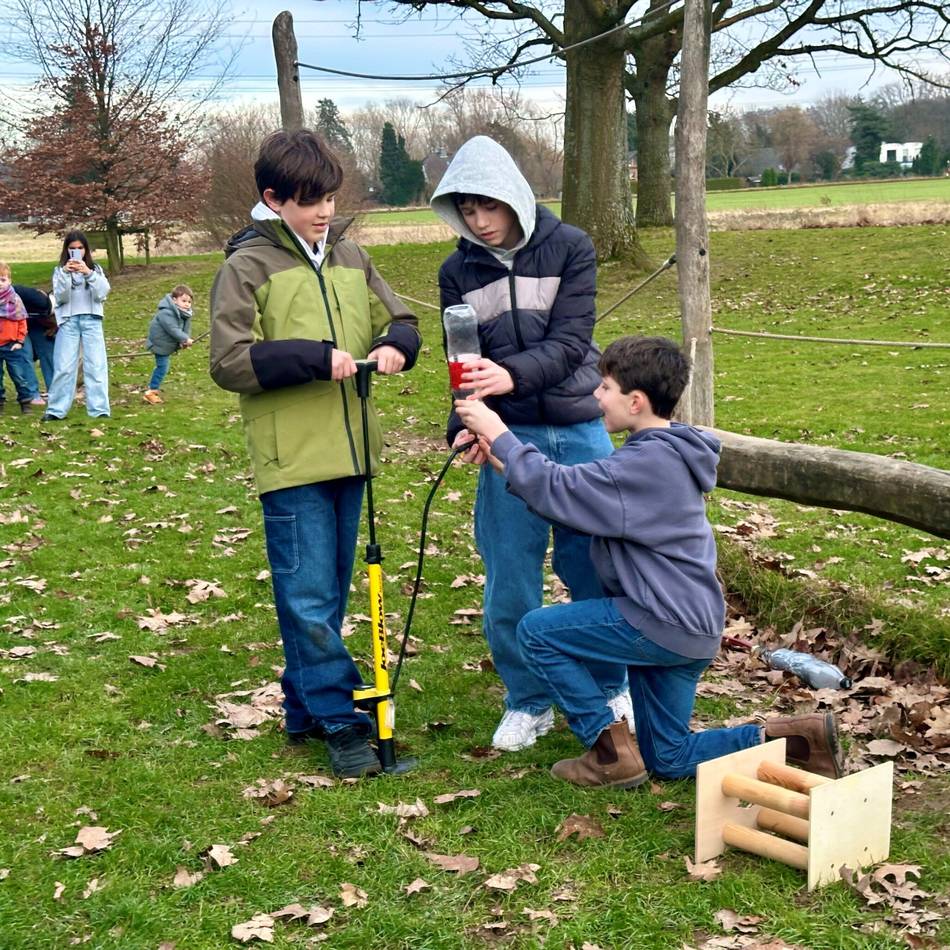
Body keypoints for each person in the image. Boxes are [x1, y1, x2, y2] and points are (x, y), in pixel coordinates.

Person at [455, 335, 842, 789]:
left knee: (537, 632)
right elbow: (573, 494)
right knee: (669, 756)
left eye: (604, 388)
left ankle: (605, 749)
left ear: (635, 401)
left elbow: (565, 488)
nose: (596, 396)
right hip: (690, 628)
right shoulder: (665, 452)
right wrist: (505, 462)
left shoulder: (642, 464)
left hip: (657, 620)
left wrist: (498, 431)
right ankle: (798, 739)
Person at [210, 129, 421, 779]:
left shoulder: (353, 257)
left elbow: (402, 320)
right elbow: (227, 361)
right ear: (274, 200)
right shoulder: (248, 265)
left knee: (325, 591)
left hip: (353, 450)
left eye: (329, 197)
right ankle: (340, 719)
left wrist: (397, 346)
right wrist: (308, 359)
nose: (324, 211)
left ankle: (302, 706)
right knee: (306, 595)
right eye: (308, 201)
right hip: (292, 457)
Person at [430, 135, 632, 753]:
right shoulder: (456, 271)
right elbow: (463, 363)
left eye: (488, 206)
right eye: (466, 210)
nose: (479, 222)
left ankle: (610, 685)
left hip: (578, 427)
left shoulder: (571, 247)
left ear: (513, 197)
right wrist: (465, 421)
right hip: (504, 437)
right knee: (510, 575)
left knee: (592, 565)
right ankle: (528, 700)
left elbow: (573, 342)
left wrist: (512, 375)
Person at [43, 231, 111, 421]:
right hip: (69, 321)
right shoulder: (59, 271)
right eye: (72, 248)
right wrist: (66, 273)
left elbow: (103, 293)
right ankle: (56, 410)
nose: (76, 252)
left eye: (80, 248)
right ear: (66, 250)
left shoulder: (95, 269)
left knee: (96, 365)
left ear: (86, 250)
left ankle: (99, 409)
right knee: (64, 366)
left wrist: (87, 273)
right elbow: (61, 297)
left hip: (92, 320)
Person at [0, 262, 44, 414]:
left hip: (12, 344)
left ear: (9, 280)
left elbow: (22, 321)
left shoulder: (15, 300)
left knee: (19, 375)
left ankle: (25, 402)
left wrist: (19, 341)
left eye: (3, 279)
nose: (0, 284)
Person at [143, 284, 195, 404]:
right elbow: (172, 329)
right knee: (162, 367)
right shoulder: (166, 312)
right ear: (174, 300)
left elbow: (185, 330)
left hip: (168, 344)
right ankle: (151, 391)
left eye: (189, 302)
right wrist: (184, 338)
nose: (187, 304)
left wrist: (184, 341)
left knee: (163, 367)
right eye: (184, 301)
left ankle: (152, 390)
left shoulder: (185, 313)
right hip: (159, 344)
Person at [13, 282, 57, 392]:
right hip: (17, 323)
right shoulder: (37, 299)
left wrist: (55, 324)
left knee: (48, 351)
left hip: (37, 323)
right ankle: (32, 393)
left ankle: (55, 391)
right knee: (25, 353)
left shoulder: (46, 307)